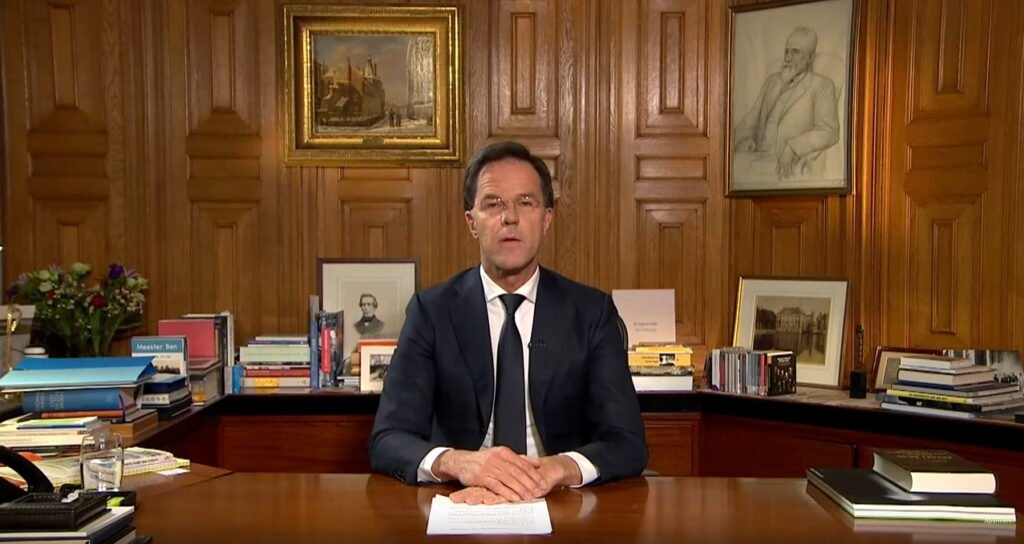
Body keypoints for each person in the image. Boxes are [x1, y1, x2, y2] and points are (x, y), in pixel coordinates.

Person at [369, 141, 647, 505]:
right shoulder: (431, 311)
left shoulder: (591, 312)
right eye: (493, 203)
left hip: (560, 501)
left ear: (546, 219)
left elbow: (627, 443)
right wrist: (459, 463)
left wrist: (560, 467)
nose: (510, 217)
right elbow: (388, 438)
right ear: (472, 222)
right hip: (463, 500)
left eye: (526, 202)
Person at [732, 26, 840, 180]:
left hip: (786, 166)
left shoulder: (822, 86)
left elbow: (829, 132)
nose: (788, 58)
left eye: (795, 52)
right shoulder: (772, 82)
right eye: (787, 52)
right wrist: (745, 138)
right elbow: (750, 120)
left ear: (811, 58)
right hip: (756, 158)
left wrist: (794, 147)